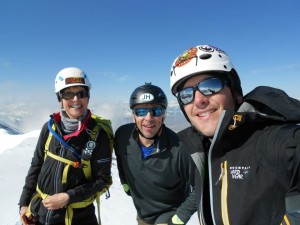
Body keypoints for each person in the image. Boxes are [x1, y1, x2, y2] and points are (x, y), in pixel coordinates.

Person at [169, 44, 300, 225]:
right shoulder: (201, 149)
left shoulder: (275, 141)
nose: (198, 100)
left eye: (210, 85)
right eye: (186, 94)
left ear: (235, 92)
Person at [18, 67, 113, 225]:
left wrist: (68, 197)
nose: (76, 99)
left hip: (79, 219)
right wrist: (24, 203)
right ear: (60, 98)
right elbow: (36, 166)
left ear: (88, 97)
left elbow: (103, 180)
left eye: (81, 93)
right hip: (37, 215)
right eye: (68, 94)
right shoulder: (49, 128)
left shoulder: (98, 134)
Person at [114, 83, 197, 225]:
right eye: (140, 111)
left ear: (164, 115)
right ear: (133, 115)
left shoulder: (179, 148)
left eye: (156, 111)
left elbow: (200, 187)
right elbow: (122, 160)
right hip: (143, 215)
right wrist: (125, 184)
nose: (148, 118)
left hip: (168, 215)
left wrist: (176, 220)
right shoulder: (123, 136)